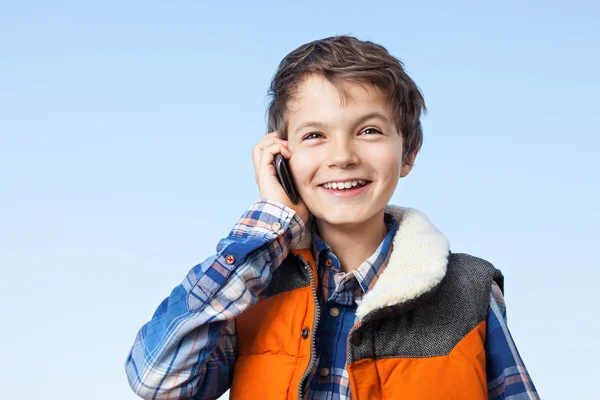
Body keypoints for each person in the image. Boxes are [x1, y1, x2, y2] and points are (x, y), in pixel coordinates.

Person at [125, 35, 539, 399]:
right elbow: (157, 381)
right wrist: (269, 224)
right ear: (281, 155)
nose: (342, 156)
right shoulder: (249, 288)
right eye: (314, 136)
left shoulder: (469, 290)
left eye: (370, 131)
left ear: (409, 153)